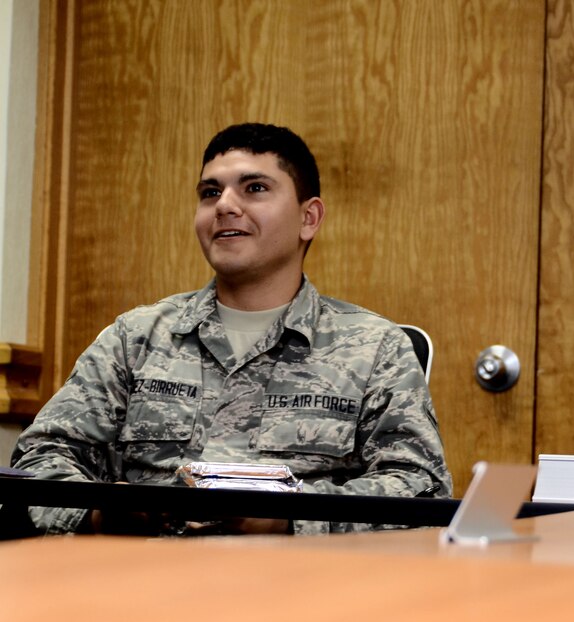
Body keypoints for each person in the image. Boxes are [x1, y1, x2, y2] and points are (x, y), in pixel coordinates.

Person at [12, 123, 452, 535]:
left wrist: (286, 518)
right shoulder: (136, 338)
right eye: (210, 192)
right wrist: (105, 512)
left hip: (306, 588)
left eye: (255, 188)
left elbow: (420, 488)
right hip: (144, 581)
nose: (224, 205)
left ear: (309, 218)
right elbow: (40, 462)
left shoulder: (374, 348)